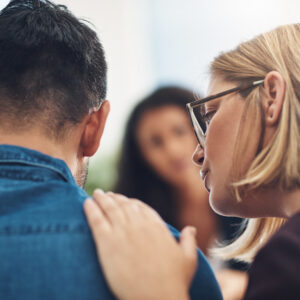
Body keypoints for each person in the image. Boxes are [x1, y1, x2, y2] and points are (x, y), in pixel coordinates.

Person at [0, 1, 222, 299]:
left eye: (179, 132)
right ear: (94, 129)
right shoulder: (168, 258)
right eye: (155, 141)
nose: (173, 149)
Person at [84, 23, 300, 300]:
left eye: (208, 117)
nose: (195, 153)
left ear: (271, 97)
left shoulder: (287, 257)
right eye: (155, 142)